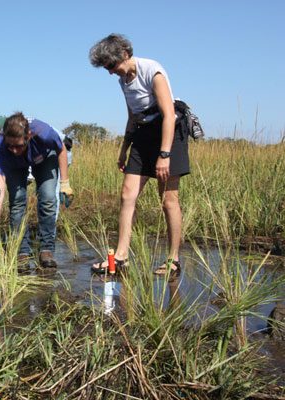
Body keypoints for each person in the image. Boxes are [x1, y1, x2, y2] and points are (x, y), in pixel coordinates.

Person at [89, 33, 190, 276]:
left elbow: (168, 114)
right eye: (106, 68)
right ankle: (121, 256)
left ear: (124, 54)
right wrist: (124, 149)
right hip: (143, 133)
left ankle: (173, 260)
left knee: (168, 200)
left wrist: (164, 155)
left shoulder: (151, 70)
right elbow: (133, 116)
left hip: (169, 132)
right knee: (127, 194)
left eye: (112, 65)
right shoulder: (123, 80)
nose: (111, 72)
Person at [0, 112, 73, 270]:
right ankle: (22, 252)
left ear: (29, 136)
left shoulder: (44, 134)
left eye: (18, 145)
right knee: (17, 202)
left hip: (45, 157)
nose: (14, 150)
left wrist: (64, 183)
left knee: (47, 198)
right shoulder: (0, 148)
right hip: (16, 165)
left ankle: (46, 249)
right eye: (10, 145)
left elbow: (61, 149)